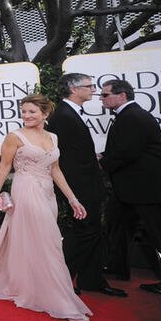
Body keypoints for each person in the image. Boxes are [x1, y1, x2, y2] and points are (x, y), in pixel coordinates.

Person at [0, 94, 91, 321]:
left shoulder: (53, 137)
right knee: (50, 241)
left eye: (32, 111)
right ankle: (59, 299)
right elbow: (4, 166)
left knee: (40, 241)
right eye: (24, 111)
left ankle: (35, 287)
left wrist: (73, 199)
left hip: (47, 193)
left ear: (45, 113)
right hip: (25, 190)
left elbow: (55, 170)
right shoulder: (15, 137)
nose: (26, 116)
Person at [100, 79, 161, 297]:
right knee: (114, 223)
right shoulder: (130, 116)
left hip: (147, 190)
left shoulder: (133, 117)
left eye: (105, 95)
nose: (102, 99)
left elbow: (127, 152)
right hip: (130, 188)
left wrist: (101, 163)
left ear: (122, 96)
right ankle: (116, 266)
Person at [46, 74, 126, 297]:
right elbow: (59, 159)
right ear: (73, 89)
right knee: (85, 232)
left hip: (88, 185)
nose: (94, 90)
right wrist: (73, 195)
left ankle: (91, 279)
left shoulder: (69, 113)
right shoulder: (63, 115)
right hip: (79, 188)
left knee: (94, 232)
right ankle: (58, 282)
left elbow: (75, 151)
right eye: (89, 86)